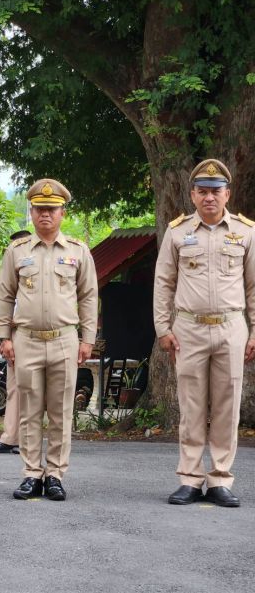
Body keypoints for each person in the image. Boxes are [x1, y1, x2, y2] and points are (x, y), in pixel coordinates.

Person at [153, 159, 255, 508]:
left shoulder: (246, 232)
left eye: (216, 191)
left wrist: (254, 332)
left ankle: (221, 479)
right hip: (189, 329)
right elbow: (164, 283)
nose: (209, 197)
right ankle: (191, 478)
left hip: (231, 328)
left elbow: (254, 286)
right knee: (191, 406)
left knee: (228, 408)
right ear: (193, 195)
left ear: (227, 194)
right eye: (202, 191)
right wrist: (163, 328)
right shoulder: (177, 232)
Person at [0, 179, 97, 501]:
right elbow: (5, 295)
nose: (45, 215)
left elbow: (89, 297)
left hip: (65, 340)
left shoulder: (78, 252)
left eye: (52, 209)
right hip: (25, 339)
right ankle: (30, 474)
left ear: (62, 213)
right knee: (29, 410)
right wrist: (4, 336)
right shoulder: (17, 251)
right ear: (32, 210)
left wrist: (87, 338)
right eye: (40, 209)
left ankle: (54, 474)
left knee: (60, 410)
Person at [0, 230, 30, 455]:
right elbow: (7, 306)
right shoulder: (11, 275)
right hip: (15, 335)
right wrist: (5, 338)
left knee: (32, 390)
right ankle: (10, 438)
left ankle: (29, 441)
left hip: (35, 336)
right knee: (13, 389)